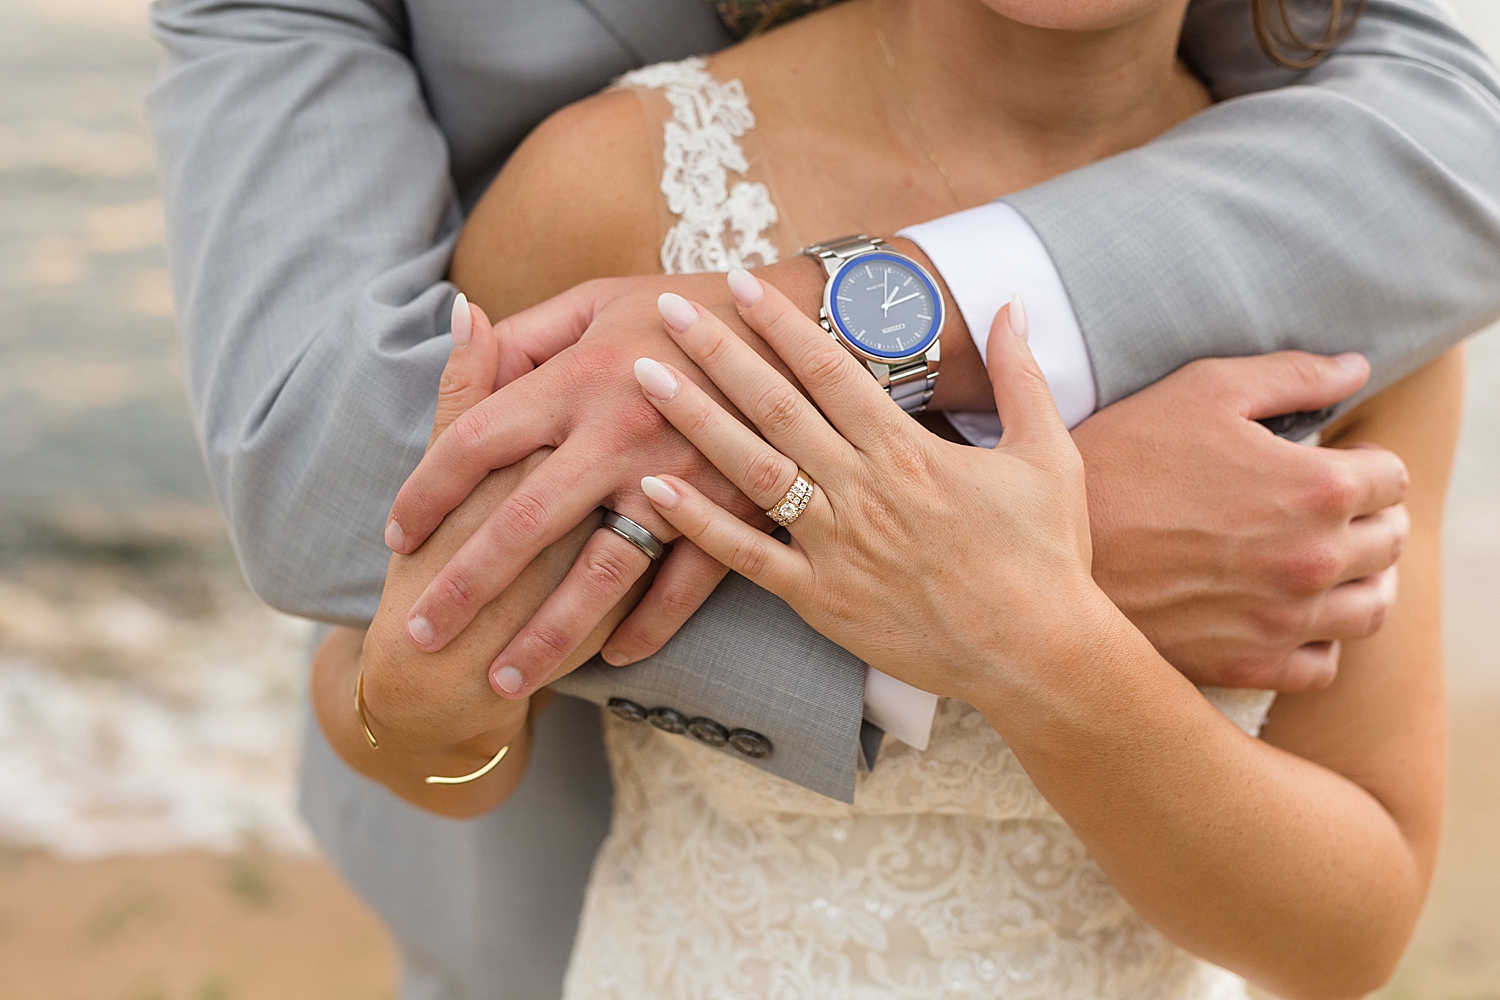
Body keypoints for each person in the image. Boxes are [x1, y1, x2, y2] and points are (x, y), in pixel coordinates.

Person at [144, 0, 1500, 995]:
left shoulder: (1346, 267)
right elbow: (405, 704)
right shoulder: (615, 191)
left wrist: (1045, 646)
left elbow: (1348, 930)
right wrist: (430, 709)